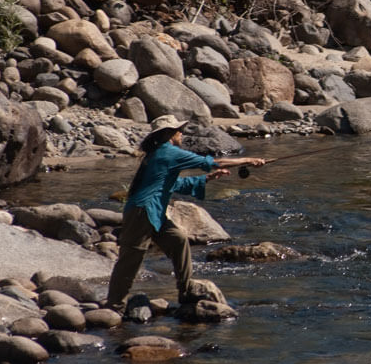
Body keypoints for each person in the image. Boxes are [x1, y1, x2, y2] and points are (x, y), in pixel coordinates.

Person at [106, 115, 267, 312]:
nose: (181, 133)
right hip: (142, 212)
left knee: (179, 239)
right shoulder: (167, 152)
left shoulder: (159, 153)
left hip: (153, 212)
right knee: (131, 259)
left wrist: (207, 179)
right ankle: (114, 305)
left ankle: (186, 289)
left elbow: (175, 184)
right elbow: (213, 161)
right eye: (178, 130)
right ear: (168, 134)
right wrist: (248, 160)